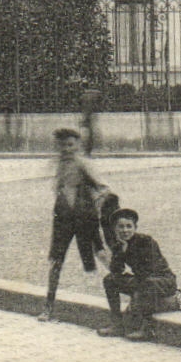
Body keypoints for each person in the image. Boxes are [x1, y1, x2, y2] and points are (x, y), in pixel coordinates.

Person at [38, 127, 111, 322]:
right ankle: (48, 306)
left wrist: (93, 207)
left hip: (84, 218)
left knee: (100, 253)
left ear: (78, 145)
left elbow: (104, 189)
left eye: (70, 145)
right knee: (56, 260)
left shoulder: (83, 164)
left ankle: (131, 290)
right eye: (62, 145)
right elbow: (59, 189)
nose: (66, 149)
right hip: (63, 219)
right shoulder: (58, 165)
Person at [97, 207, 179, 342]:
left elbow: (149, 270)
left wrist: (127, 252)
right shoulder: (119, 245)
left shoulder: (146, 241)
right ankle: (117, 325)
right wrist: (121, 252)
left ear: (135, 227)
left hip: (162, 281)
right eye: (121, 227)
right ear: (115, 229)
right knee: (110, 280)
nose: (125, 230)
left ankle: (147, 329)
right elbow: (115, 271)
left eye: (129, 226)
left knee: (148, 282)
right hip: (144, 281)